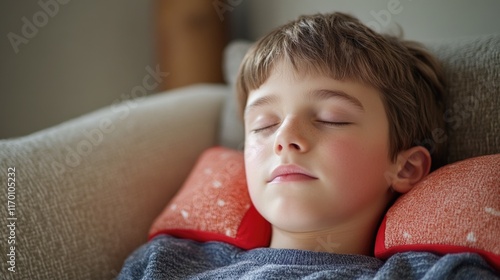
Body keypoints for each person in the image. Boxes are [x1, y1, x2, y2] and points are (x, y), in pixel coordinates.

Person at [118, 12, 498, 279]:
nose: (285, 138)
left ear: (406, 167)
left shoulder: (435, 273)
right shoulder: (164, 261)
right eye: (264, 125)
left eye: (331, 118)